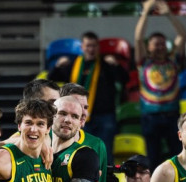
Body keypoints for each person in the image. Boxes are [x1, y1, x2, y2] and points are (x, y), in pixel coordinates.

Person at [48, 31, 128, 161]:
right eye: (88, 46)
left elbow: (124, 79)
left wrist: (117, 65)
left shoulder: (106, 64)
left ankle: (105, 179)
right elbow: (51, 79)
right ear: (82, 47)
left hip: (104, 116)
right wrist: (57, 66)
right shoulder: (73, 64)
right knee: (78, 150)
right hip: (76, 116)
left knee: (105, 150)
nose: (91, 49)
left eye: (94, 46)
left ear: (98, 47)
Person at [134, 0, 186, 167]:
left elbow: (183, 36)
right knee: (153, 157)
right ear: (148, 47)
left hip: (172, 115)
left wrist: (168, 14)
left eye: (163, 43)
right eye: (156, 44)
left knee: (177, 157)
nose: (160, 47)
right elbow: (138, 38)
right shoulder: (144, 63)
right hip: (150, 117)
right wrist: (145, 12)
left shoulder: (173, 61)